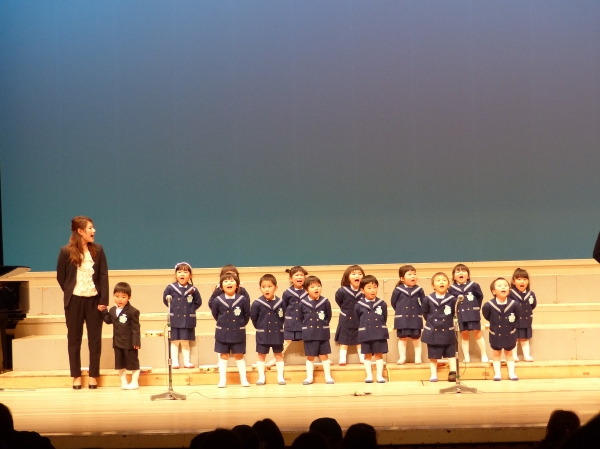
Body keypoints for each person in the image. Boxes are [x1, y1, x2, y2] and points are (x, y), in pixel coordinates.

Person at [56, 216, 108, 389]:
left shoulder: (98, 250)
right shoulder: (66, 251)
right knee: (74, 340)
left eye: (93, 228)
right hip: (74, 302)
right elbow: (61, 277)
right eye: (90, 228)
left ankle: (93, 375)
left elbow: (103, 276)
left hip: (94, 301)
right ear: (80, 231)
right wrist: (71, 292)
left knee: (95, 340)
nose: (94, 231)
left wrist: (103, 300)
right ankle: (76, 376)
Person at [211, 272, 251, 387]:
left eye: (232, 280)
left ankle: (243, 379)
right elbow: (216, 314)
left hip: (238, 333)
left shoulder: (243, 299)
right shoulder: (217, 300)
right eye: (226, 281)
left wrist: (238, 325)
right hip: (222, 333)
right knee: (223, 356)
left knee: (239, 355)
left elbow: (246, 315)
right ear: (221, 286)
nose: (229, 283)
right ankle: (222, 380)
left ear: (237, 285)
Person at [102, 282, 141, 389]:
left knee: (133, 363)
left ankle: (134, 382)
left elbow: (136, 328)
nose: (120, 299)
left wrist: (136, 341)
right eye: (117, 296)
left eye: (123, 297)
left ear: (129, 297)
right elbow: (108, 320)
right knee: (120, 363)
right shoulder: (112, 310)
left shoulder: (133, 311)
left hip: (129, 343)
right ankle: (123, 382)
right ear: (113, 296)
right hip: (117, 342)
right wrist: (103, 311)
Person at [163, 262, 202, 369]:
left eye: (185, 272)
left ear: (190, 275)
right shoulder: (170, 288)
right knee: (174, 341)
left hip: (187, 320)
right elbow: (166, 301)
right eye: (179, 272)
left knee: (185, 341)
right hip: (175, 319)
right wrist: (175, 309)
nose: (182, 274)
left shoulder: (193, 289)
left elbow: (198, 302)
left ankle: (187, 362)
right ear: (175, 275)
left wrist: (189, 310)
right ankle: (175, 362)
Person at [250, 274, 286, 385]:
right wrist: (261, 327)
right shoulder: (257, 303)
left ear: (276, 287)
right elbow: (254, 319)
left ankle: (280, 377)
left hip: (277, 334)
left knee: (278, 355)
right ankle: (261, 377)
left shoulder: (281, 303)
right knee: (261, 355)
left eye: (269, 286)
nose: (267, 289)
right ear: (260, 288)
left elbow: (283, 317)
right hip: (263, 334)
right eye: (264, 287)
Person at [421, 272, 457, 382]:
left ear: (448, 285)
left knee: (451, 354)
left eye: (444, 280)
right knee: (433, 355)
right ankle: (433, 374)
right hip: (433, 331)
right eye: (438, 280)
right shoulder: (428, 299)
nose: (442, 282)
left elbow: (454, 313)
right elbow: (425, 314)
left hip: (447, 331)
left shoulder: (452, 299)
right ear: (433, 285)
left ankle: (453, 372)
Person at [482, 277, 520, 381]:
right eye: (499, 286)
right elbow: (487, 316)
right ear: (493, 291)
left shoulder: (514, 304)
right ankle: (497, 374)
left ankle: (511, 373)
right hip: (496, 333)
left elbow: (517, 317)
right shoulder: (489, 305)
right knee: (496, 353)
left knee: (509, 353)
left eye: (505, 285)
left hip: (509, 333)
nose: (503, 287)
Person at [300, 275, 334, 385]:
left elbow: (328, 316)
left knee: (324, 355)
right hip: (309, 334)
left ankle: (328, 377)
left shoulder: (325, 301)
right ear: (306, 290)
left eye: (318, 286)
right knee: (310, 356)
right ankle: (309, 377)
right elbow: (301, 318)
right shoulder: (302, 303)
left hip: (322, 333)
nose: (316, 288)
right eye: (312, 287)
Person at [451, 263, 488, 363]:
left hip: (473, 313)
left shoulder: (474, 285)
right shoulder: (451, 288)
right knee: (464, 335)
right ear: (454, 277)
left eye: (463, 271)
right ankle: (466, 357)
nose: (461, 273)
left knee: (477, 333)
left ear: (468, 275)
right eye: (458, 271)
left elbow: (480, 296)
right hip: (461, 315)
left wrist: (476, 307)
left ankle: (484, 354)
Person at [355, 275, 389, 383]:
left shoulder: (382, 304)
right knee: (367, 355)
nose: (373, 290)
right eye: (369, 288)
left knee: (379, 354)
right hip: (365, 334)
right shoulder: (359, 305)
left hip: (379, 334)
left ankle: (379, 376)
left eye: (375, 287)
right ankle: (369, 375)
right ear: (362, 290)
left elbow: (384, 318)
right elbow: (357, 320)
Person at [391, 265, 425, 365]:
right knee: (403, 338)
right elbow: (393, 303)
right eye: (409, 274)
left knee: (416, 338)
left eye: (414, 274)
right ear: (402, 278)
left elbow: (424, 303)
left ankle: (418, 357)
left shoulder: (419, 290)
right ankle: (402, 357)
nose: (413, 276)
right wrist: (401, 311)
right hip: (403, 319)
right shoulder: (398, 290)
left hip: (415, 318)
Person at [334, 265, 365, 366]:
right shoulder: (342, 291)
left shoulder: (364, 291)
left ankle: (362, 357)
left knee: (359, 339)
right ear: (347, 277)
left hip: (359, 319)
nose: (357, 276)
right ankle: (342, 358)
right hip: (346, 319)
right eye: (354, 274)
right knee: (344, 340)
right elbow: (339, 300)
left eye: (360, 274)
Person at [509, 268, 536, 362]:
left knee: (524, 338)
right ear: (513, 281)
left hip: (526, 319)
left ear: (528, 281)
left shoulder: (531, 294)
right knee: (514, 338)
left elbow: (533, 305)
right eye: (519, 279)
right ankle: (514, 356)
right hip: (514, 320)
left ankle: (526, 355)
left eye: (524, 279)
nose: (522, 281)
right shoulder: (510, 293)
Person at [281, 266, 309, 359]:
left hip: (305, 321)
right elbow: (283, 307)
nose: (299, 277)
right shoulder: (287, 293)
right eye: (296, 275)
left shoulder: (308, 291)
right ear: (291, 278)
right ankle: (278, 357)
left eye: (301, 275)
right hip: (291, 322)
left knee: (311, 340)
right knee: (286, 340)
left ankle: (323, 357)